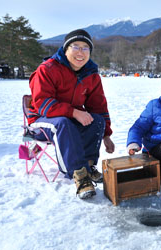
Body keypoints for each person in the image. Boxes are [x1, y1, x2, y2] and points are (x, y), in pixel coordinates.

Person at [28, 29, 115, 199]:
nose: (80, 52)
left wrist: (106, 135)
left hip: (68, 119)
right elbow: (42, 104)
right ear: (66, 49)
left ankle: (88, 166)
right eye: (76, 47)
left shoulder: (91, 74)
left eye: (85, 48)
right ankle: (80, 175)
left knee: (95, 120)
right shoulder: (48, 69)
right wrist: (73, 112)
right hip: (40, 120)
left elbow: (99, 106)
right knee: (63, 123)